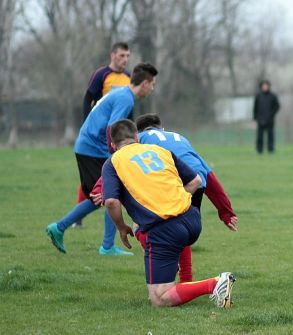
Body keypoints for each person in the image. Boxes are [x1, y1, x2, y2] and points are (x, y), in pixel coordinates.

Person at [102, 119, 235, 307]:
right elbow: (196, 181)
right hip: (192, 219)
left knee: (159, 298)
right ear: (137, 137)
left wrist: (121, 227)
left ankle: (215, 284)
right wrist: (177, 199)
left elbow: (111, 201)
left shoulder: (113, 162)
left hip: (164, 230)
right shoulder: (162, 151)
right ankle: (177, 273)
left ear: (113, 145)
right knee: (144, 227)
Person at [45, 63, 158, 256]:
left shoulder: (123, 94)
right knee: (109, 194)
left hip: (88, 147)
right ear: (145, 83)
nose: (153, 88)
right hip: (93, 149)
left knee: (101, 196)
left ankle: (62, 228)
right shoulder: (126, 99)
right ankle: (104, 246)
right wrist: (115, 157)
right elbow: (111, 128)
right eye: (153, 84)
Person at [73, 42, 131, 228]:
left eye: (128, 56)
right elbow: (87, 99)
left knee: (105, 180)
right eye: (122, 55)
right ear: (113, 55)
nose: (125, 59)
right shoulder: (101, 74)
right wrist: (86, 124)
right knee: (102, 182)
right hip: (97, 137)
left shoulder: (129, 78)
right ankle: (76, 219)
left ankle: (106, 238)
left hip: (116, 135)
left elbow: (127, 111)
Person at [253, 79, 280, 154]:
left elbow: (277, 106)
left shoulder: (272, 96)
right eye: (263, 86)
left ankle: (270, 150)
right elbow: (255, 107)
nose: (265, 87)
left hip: (270, 120)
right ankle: (259, 150)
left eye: (266, 86)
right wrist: (255, 117)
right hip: (260, 119)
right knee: (259, 136)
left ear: (268, 86)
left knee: (270, 136)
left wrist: (272, 114)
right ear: (261, 87)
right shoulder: (258, 96)